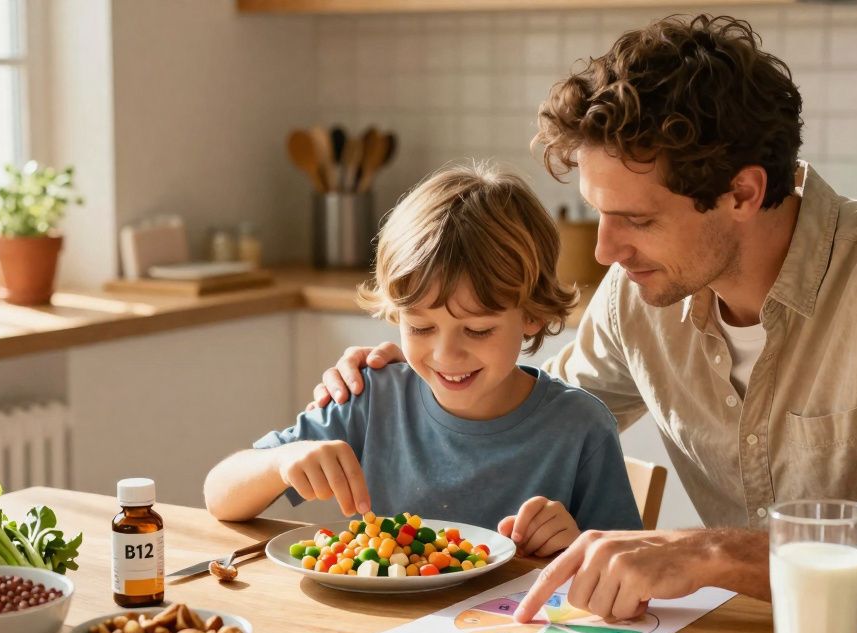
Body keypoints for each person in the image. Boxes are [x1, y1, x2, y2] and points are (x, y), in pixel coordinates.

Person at [309, 14, 857, 619]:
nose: (603, 250)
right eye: (597, 215)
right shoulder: (640, 295)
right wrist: (427, 372)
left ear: (743, 193)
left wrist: (707, 552)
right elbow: (535, 411)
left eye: (636, 219)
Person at [204, 162, 642, 557]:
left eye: (477, 330)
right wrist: (283, 461)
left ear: (532, 315)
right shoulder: (372, 397)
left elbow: (625, 568)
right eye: (420, 328)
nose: (445, 354)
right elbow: (218, 494)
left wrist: (574, 544)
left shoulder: (580, 427)